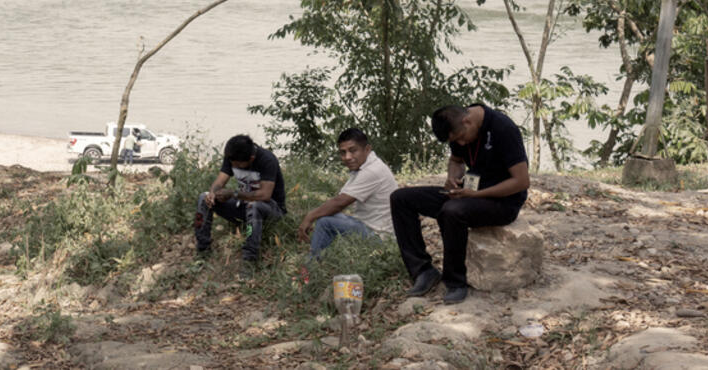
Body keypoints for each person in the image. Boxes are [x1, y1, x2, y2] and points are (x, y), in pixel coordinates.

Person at [391, 104, 531, 305]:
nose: (461, 143)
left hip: (503, 202)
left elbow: (521, 181)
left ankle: (456, 281)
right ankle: (423, 270)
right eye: (455, 141)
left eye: (461, 137)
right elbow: (456, 161)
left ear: (467, 121)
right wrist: (453, 178)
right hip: (469, 194)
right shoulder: (458, 128)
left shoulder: (502, 128)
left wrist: (477, 194)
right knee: (401, 198)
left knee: (452, 211)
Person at [296, 128, 399, 258]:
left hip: (381, 239)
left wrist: (310, 217)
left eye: (353, 150)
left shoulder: (372, 171)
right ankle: (318, 259)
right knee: (329, 215)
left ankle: (311, 267)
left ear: (367, 149)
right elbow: (338, 201)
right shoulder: (365, 165)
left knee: (325, 222)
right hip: (369, 228)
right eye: (343, 152)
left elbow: (340, 202)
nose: (347, 157)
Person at [194, 134, 288, 270]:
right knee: (204, 197)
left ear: (251, 158)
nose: (234, 166)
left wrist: (234, 194)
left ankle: (249, 260)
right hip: (243, 206)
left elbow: (265, 195)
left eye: (238, 165)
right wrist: (213, 193)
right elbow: (220, 181)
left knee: (254, 206)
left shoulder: (267, 160)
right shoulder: (232, 156)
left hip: (272, 210)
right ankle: (203, 250)